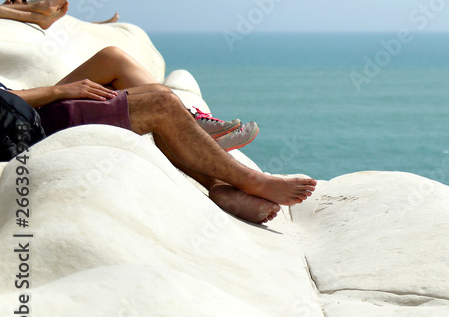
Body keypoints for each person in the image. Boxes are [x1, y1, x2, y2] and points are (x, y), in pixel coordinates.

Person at [5, 46, 316, 223]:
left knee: (120, 63)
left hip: (24, 111)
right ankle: (250, 180)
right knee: (161, 103)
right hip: (31, 130)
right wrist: (60, 91)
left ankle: (213, 170)